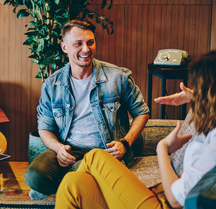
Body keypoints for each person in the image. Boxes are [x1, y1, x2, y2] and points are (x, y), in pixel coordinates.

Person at [55, 51, 216, 209]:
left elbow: (176, 200)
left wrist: (162, 148)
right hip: (160, 195)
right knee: (73, 183)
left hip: (167, 204)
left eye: (199, 87)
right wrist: (195, 96)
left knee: (95, 156)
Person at [24, 19, 150, 200]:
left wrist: (125, 143)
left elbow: (142, 112)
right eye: (78, 44)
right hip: (70, 149)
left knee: (79, 177)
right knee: (34, 177)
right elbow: (44, 128)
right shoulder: (52, 84)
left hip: (106, 152)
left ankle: (68, 186)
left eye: (90, 42)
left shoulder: (117, 77)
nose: (86, 49)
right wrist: (58, 148)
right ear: (64, 47)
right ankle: (77, 185)